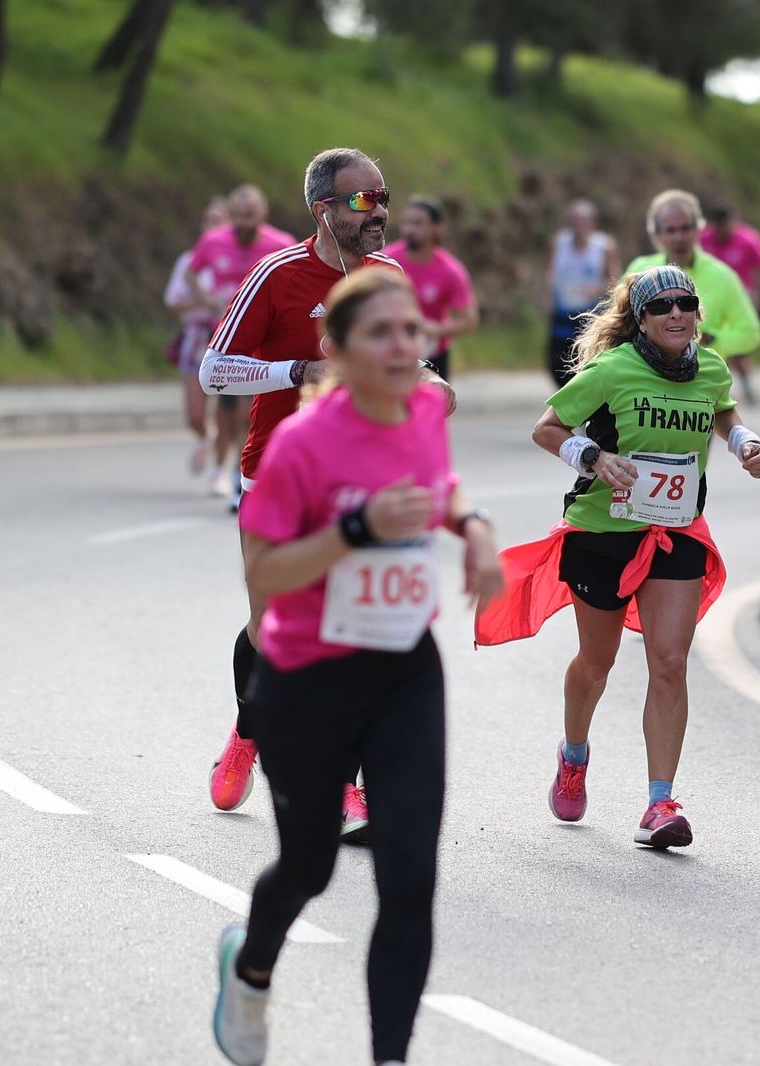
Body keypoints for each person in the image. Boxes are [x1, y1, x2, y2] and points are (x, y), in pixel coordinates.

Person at [211, 267, 503, 1066]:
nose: (405, 346)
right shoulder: (302, 445)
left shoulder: (420, 414)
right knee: (307, 865)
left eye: (413, 331)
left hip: (405, 668)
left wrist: (472, 525)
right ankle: (252, 966)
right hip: (309, 680)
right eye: (382, 333)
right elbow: (265, 574)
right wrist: (356, 530)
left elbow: (436, 485)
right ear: (335, 350)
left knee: (410, 880)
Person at [471, 265, 760, 849]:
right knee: (597, 662)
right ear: (640, 319)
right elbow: (547, 427)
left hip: (675, 533)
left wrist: (744, 443)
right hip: (602, 533)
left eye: (686, 303)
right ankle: (575, 753)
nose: (677, 314)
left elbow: (723, 410)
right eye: (662, 308)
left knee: (668, 662)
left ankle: (659, 802)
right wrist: (593, 460)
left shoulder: (710, 367)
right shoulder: (611, 370)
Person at [198, 147, 449, 838]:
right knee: (273, 626)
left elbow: (405, 358)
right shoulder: (278, 274)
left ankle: (345, 784)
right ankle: (249, 731)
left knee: (348, 630)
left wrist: (428, 382)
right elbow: (213, 371)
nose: (381, 213)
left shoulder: (389, 274)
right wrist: (296, 370)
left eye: (385, 196)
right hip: (274, 474)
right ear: (324, 210)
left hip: (364, 481)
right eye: (364, 201)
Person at [190, 185, 298, 506]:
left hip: (265, 345)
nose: (242, 221)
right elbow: (191, 272)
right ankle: (225, 469)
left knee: (252, 413)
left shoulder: (280, 244)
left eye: (249, 215)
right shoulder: (213, 241)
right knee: (228, 413)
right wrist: (205, 300)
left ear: (262, 215)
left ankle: (243, 477)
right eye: (237, 214)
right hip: (225, 343)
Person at [624, 189, 760, 390]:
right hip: (644, 383)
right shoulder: (639, 270)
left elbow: (751, 333)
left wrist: (712, 340)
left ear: (699, 229)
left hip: (700, 384)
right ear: (656, 235)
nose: (679, 237)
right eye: (670, 230)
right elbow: (616, 323)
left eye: (686, 228)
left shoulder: (723, 276)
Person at [164, 197, 230, 479]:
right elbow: (174, 301)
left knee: (230, 409)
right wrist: (204, 302)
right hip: (196, 339)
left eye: (218, 220)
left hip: (227, 340)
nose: (211, 226)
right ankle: (209, 437)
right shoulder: (189, 261)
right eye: (208, 220)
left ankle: (223, 471)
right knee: (194, 415)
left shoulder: (236, 258)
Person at [383, 196, 478, 381]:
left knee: (433, 408)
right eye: (406, 222)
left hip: (433, 355)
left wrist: (435, 330)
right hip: (391, 352)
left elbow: (469, 320)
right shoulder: (386, 261)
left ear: (437, 228)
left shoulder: (450, 271)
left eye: (418, 223)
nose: (409, 229)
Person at [700, 204, 760, 405]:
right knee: (711, 345)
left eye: (726, 225)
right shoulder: (703, 240)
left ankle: (746, 384)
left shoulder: (748, 241)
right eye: (719, 226)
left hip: (740, 301)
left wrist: (752, 293)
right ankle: (715, 387)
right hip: (711, 301)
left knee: (739, 352)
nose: (723, 230)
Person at [544, 199, 620, 387]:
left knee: (586, 360)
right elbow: (549, 273)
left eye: (582, 222)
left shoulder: (604, 246)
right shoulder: (558, 243)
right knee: (557, 363)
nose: (578, 227)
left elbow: (615, 280)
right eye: (574, 222)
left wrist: (597, 289)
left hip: (590, 313)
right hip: (563, 312)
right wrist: (548, 299)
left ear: (592, 223)